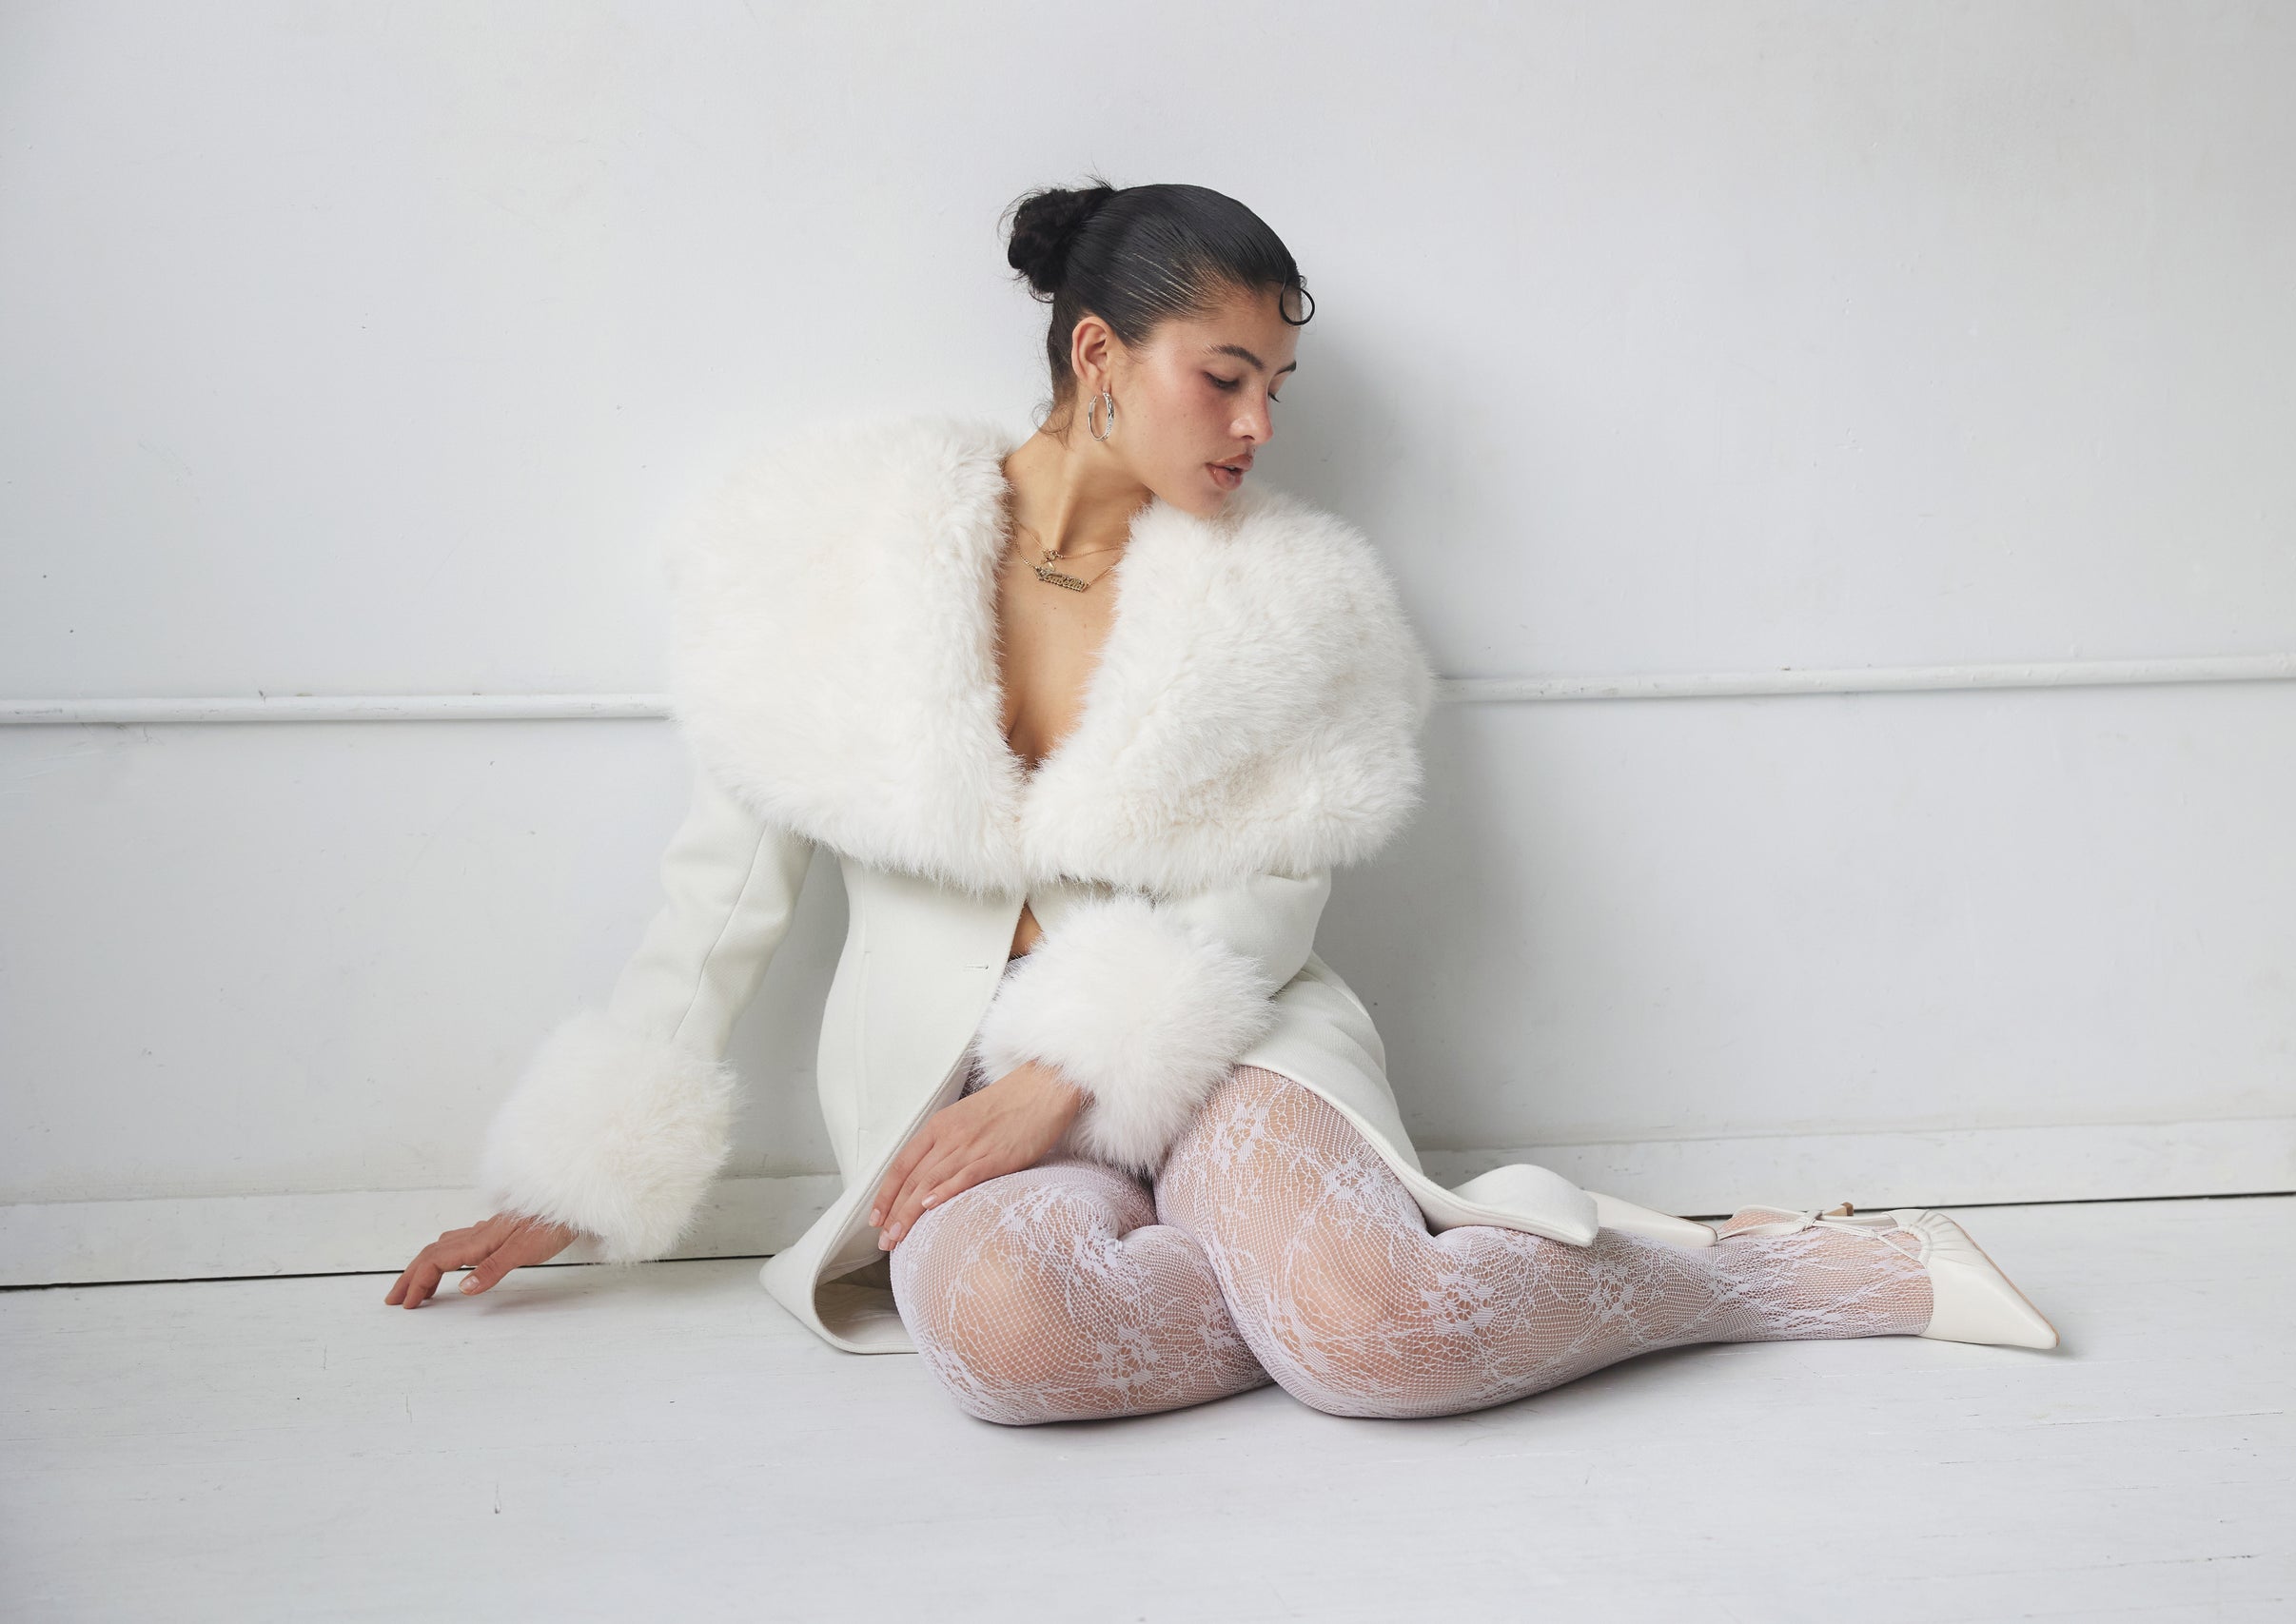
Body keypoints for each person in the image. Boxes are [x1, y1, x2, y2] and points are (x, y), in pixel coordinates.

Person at [386, 179, 2059, 1422]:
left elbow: (1268, 904)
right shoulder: (828, 554)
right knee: (1009, 1350)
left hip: (1222, 1037)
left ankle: (1783, 1267)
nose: (1261, 424)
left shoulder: (1289, 603)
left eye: (1278, 388)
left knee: (1380, 1349)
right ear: (1100, 353)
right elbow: (720, 893)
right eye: (1226, 374)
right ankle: (1343, 1284)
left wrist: (1074, 1078)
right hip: (945, 1086)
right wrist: (580, 1173)